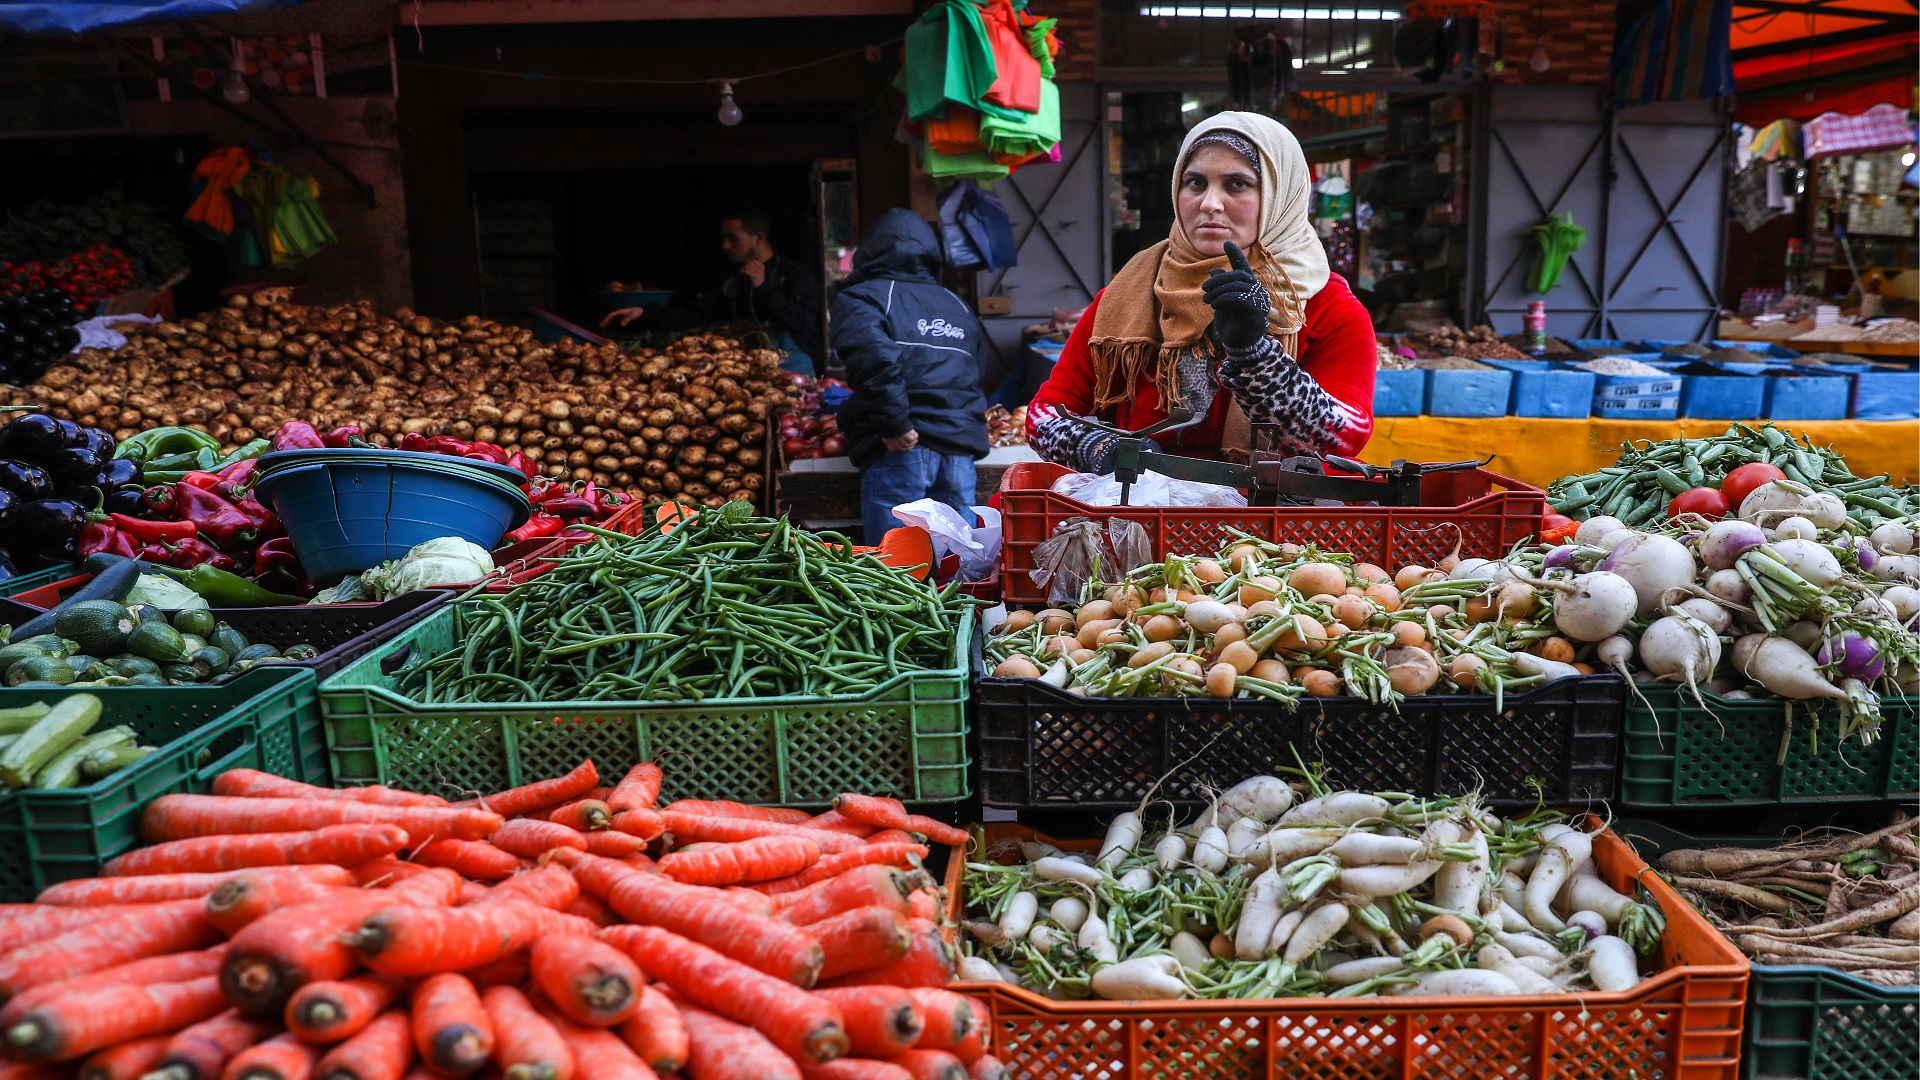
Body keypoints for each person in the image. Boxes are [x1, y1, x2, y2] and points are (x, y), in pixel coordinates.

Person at [1025, 112, 1375, 473]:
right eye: (1195, 183)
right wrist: (1099, 448)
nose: (1209, 203)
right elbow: (1042, 415)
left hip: (1267, 519)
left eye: (1237, 184)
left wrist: (1255, 356)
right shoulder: (1127, 294)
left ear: (1280, 194)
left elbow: (1346, 437)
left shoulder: (1326, 306)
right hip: (1140, 516)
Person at [831, 208, 990, 542]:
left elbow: (872, 360)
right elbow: (976, 370)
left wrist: (895, 425)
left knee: (897, 570)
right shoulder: (955, 304)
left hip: (902, 448)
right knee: (958, 564)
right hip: (957, 453)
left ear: (870, 250)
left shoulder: (863, 297)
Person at [603, 210, 823, 375]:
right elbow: (695, 314)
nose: (725, 245)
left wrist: (764, 287)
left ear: (758, 238)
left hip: (791, 373)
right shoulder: (729, 278)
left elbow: (802, 320)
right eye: (723, 238)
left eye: (733, 238)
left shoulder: (795, 274)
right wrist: (645, 313)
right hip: (740, 373)